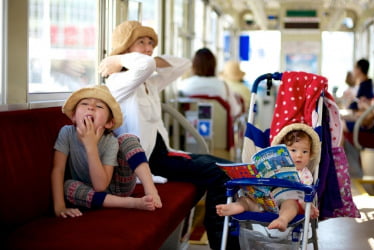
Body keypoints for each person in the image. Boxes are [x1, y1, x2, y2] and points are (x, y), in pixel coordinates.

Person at [99, 21, 239, 249]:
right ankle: (223, 245)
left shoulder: (149, 84)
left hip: (165, 155)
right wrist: (120, 59)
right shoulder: (119, 81)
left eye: (151, 43)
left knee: (232, 169)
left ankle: (224, 241)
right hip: (146, 163)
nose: (148, 48)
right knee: (222, 175)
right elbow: (144, 65)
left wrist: (119, 58)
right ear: (124, 47)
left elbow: (183, 64)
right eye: (141, 42)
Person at [51, 85, 162, 218]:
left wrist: (91, 145)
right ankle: (131, 203)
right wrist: (60, 207)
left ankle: (150, 189)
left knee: (127, 138)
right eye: (84, 103)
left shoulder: (110, 141)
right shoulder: (66, 133)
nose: (91, 107)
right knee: (68, 186)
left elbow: (101, 186)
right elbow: (58, 170)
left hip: (117, 187)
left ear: (109, 123)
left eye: (99, 106)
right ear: (74, 116)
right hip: (88, 191)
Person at [216, 124, 320, 232]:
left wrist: (307, 206)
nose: (299, 155)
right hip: (265, 203)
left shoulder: (305, 174)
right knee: (246, 200)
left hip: (287, 206)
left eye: (305, 151)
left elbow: (305, 195)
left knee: (290, 204)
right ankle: (237, 206)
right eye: (293, 150)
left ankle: (282, 220)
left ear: (310, 154)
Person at [178, 48, 242, 117]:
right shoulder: (224, 86)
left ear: (193, 65)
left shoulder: (184, 85)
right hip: (219, 127)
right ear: (214, 65)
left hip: (188, 127)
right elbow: (235, 111)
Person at [343, 59, 374, 132]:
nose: (353, 70)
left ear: (359, 69)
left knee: (338, 125)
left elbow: (365, 108)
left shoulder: (366, 86)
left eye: (354, 68)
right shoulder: (363, 84)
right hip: (359, 117)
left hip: (362, 122)